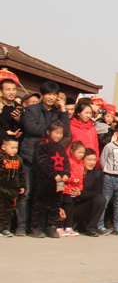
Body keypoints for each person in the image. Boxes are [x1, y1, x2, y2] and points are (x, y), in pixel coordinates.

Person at [19, 81, 71, 236]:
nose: (51, 97)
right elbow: (30, 127)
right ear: (42, 95)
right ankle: (23, 226)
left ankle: (47, 226)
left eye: (54, 94)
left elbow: (66, 131)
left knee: (52, 197)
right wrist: (52, 131)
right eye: (48, 94)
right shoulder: (32, 109)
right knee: (28, 194)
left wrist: (62, 110)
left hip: (53, 162)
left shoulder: (57, 112)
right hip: (32, 157)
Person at [30, 120, 71, 239]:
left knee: (55, 205)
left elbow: (66, 162)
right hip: (44, 180)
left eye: (60, 133)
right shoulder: (42, 145)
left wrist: (66, 174)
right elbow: (42, 162)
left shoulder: (61, 147)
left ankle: (52, 226)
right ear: (48, 132)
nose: (58, 135)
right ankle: (35, 227)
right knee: (39, 204)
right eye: (56, 132)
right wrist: (53, 174)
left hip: (58, 182)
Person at [72, 149, 106, 237]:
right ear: (82, 159)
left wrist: (81, 193)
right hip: (71, 205)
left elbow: (97, 192)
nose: (92, 162)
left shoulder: (97, 173)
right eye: (89, 159)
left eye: (94, 160)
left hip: (85, 206)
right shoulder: (73, 169)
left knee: (101, 199)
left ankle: (91, 228)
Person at [0, 136, 26, 237]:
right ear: (3, 147)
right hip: (1, 188)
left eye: (16, 148)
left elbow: (22, 174)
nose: (14, 150)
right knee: (1, 209)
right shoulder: (1, 157)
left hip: (12, 190)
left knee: (9, 211)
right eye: (12, 148)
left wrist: (22, 185)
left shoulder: (18, 159)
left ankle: (5, 229)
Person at [60, 141, 85, 236]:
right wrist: (72, 180)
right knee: (65, 209)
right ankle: (59, 227)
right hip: (66, 189)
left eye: (82, 153)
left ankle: (68, 227)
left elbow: (81, 178)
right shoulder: (69, 162)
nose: (81, 155)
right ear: (72, 151)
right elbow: (64, 176)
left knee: (71, 210)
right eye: (79, 152)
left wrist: (80, 189)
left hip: (74, 190)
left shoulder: (81, 164)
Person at [0, 70, 23, 139]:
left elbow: (24, 126)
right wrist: (5, 133)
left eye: (14, 89)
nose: (12, 92)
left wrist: (18, 120)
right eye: (8, 90)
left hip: (13, 143)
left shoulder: (19, 107)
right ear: (1, 91)